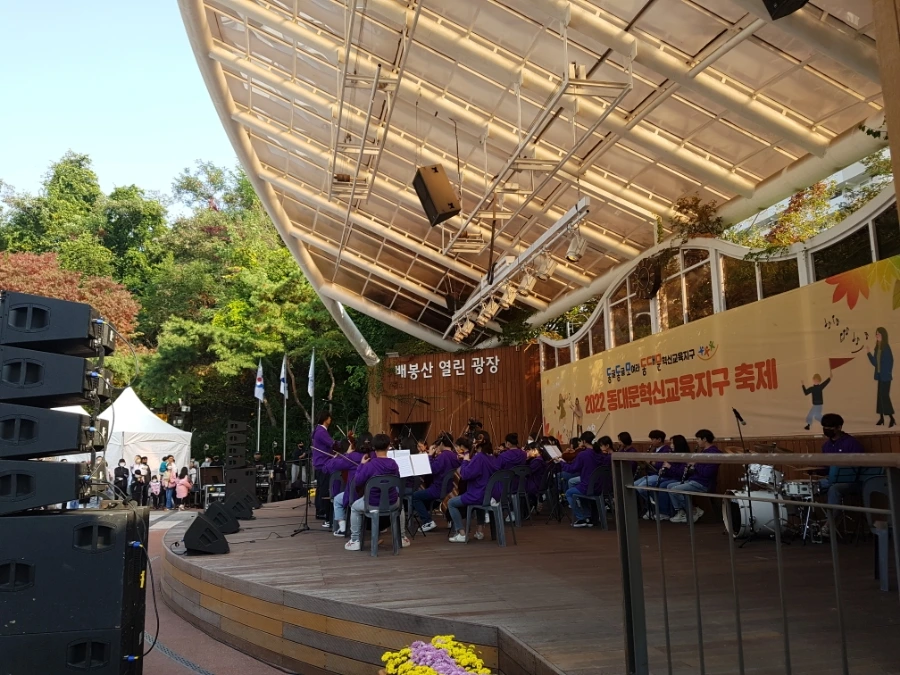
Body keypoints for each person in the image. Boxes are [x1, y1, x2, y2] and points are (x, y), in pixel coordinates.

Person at [345, 434, 407, 551]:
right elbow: (397, 480)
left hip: (372, 503)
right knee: (401, 505)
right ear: (388, 447)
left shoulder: (370, 465)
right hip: (392, 502)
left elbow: (358, 481)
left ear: (373, 447)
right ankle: (402, 537)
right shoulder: (394, 464)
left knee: (354, 507)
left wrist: (361, 465)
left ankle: (355, 540)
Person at [447, 437, 497, 543]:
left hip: (477, 494)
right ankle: (479, 532)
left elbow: (465, 475)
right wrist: (470, 461)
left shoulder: (479, 457)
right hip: (489, 495)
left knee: (451, 503)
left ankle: (462, 534)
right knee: (480, 505)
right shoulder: (491, 457)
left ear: (477, 444)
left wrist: (465, 461)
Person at [667, 430, 722, 524]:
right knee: (669, 486)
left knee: (675, 490)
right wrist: (690, 468)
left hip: (704, 484)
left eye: (698, 439)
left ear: (704, 439)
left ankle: (693, 511)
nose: (697, 441)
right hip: (695, 480)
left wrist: (695, 464)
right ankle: (682, 512)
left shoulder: (713, 453)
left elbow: (707, 473)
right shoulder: (703, 452)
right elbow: (699, 469)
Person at [557, 436, 612, 528]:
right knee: (578, 488)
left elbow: (572, 469)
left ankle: (581, 518)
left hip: (588, 486)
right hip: (600, 486)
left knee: (569, 493)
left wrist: (561, 462)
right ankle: (588, 518)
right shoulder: (600, 454)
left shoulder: (583, 454)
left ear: (584, 441)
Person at [411, 434, 460, 533]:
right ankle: (449, 518)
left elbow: (432, 469)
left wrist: (430, 456)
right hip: (450, 489)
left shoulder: (443, 456)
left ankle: (427, 521)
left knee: (415, 496)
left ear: (441, 443)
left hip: (438, 489)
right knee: (424, 497)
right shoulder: (455, 455)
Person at [818, 413, 865, 509]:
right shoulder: (826, 446)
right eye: (824, 427)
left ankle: (831, 518)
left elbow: (859, 466)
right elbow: (826, 467)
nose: (826, 429)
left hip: (852, 481)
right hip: (831, 479)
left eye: (830, 427)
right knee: (810, 487)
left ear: (839, 427)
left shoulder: (851, 443)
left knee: (834, 489)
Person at [325, 436, 367, 536]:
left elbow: (329, 467)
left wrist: (346, 454)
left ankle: (343, 528)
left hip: (355, 494)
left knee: (337, 500)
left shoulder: (352, 457)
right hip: (373, 493)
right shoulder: (374, 456)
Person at [634, 430, 669, 517]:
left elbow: (663, 464)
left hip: (660, 474)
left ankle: (654, 507)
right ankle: (650, 506)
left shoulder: (666, 450)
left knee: (642, 487)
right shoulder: (654, 450)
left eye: (653, 439)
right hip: (651, 474)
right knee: (635, 485)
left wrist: (651, 462)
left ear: (659, 439)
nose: (651, 441)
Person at [868, 327, 895, 427]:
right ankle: (881, 418)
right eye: (876, 334)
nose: (877, 336)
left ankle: (891, 418)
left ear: (883, 335)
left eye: (878, 334)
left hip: (885, 377)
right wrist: (868, 354)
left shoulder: (886, 347)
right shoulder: (877, 347)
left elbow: (890, 361)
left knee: (884, 397)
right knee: (880, 397)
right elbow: (875, 363)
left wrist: (887, 372)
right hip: (880, 376)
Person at [312, 411, 335, 524]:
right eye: (329, 418)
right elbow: (332, 444)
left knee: (321, 488)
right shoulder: (321, 431)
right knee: (325, 489)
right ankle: (324, 512)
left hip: (320, 462)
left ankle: (321, 511)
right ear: (326, 419)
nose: (331, 419)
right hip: (323, 463)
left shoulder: (318, 430)